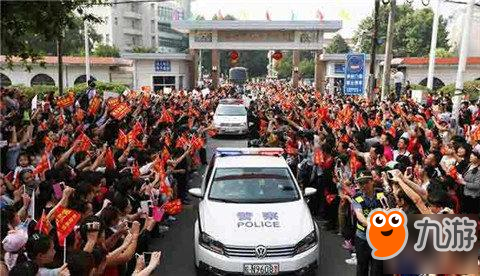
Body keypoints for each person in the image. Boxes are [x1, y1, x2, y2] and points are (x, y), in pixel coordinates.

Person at [351, 171, 383, 276]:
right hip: (362, 238)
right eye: (360, 183)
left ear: (372, 181)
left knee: (377, 269)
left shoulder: (382, 194)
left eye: (365, 182)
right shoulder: (356, 198)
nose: (363, 186)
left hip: (379, 240)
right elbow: (360, 216)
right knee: (362, 267)